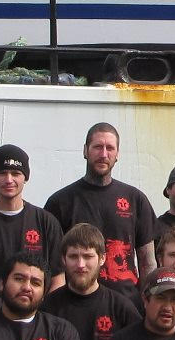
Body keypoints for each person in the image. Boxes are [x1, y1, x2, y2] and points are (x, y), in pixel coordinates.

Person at [46, 122, 157, 293]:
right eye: (98, 147)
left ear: (117, 154)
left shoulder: (136, 200)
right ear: (85, 150)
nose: (104, 154)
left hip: (127, 305)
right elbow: (52, 264)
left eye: (110, 148)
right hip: (75, 304)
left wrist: (147, 301)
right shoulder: (60, 202)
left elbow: (147, 261)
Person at [0, 145, 66, 293]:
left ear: (25, 177)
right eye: (2, 173)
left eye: (15, 173)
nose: (9, 180)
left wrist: (45, 313)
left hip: (34, 313)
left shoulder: (46, 222)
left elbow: (58, 278)